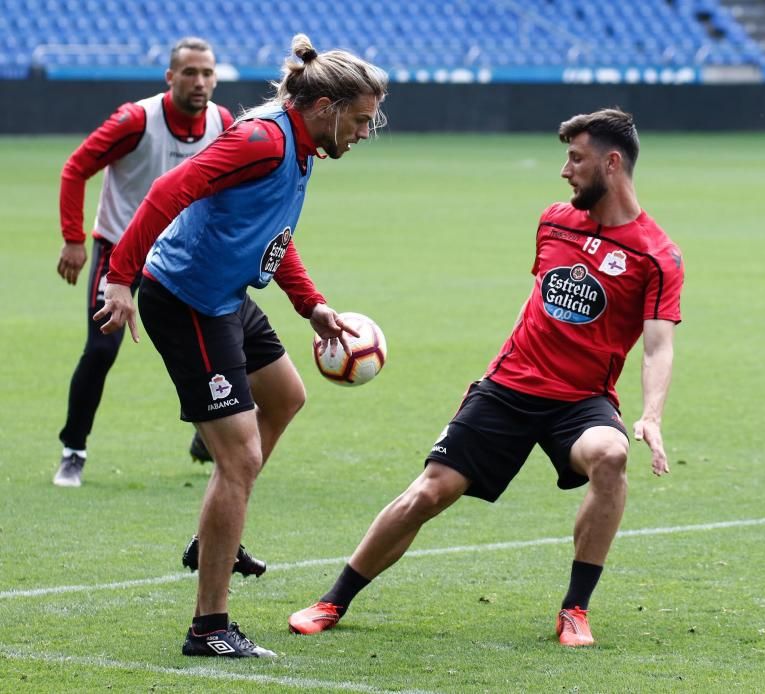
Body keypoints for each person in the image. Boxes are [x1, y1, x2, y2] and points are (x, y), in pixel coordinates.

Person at [288, 108, 685, 648]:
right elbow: (540, 303)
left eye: (576, 158)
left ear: (611, 163)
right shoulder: (553, 221)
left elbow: (659, 346)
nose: (565, 171)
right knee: (429, 493)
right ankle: (334, 599)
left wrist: (650, 415)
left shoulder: (657, 255)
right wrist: (487, 386)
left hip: (581, 401)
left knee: (611, 457)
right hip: (509, 389)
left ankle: (574, 609)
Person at [94, 34, 389, 658]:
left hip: (227, 295)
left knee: (285, 396)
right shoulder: (261, 138)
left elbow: (270, 232)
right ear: (327, 106)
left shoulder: (303, 145)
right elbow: (167, 191)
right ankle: (209, 628)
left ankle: (213, 539)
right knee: (240, 459)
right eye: (362, 120)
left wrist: (312, 305)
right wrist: (119, 276)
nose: (366, 133)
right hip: (187, 300)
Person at [54, 37, 233, 488]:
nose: (200, 82)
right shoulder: (136, 120)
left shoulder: (222, 122)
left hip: (181, 258)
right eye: (190, 73)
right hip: (118, 251)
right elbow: (75, 168)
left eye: (207, 73)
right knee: (100, 349)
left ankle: (205, 436)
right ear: (170, 77)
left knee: (216, 344)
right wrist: (74, 239)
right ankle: (72, 451)